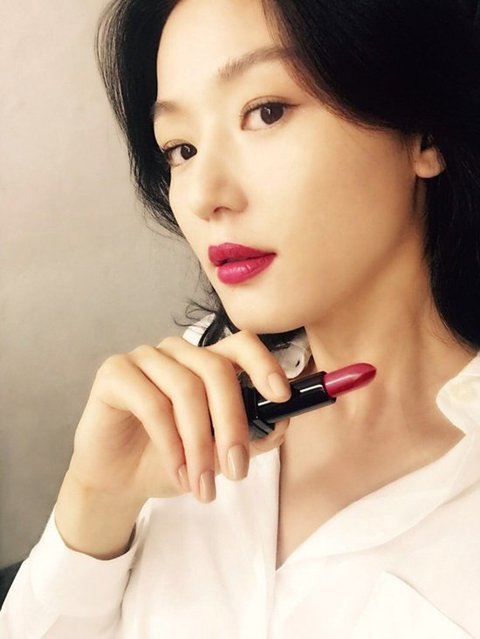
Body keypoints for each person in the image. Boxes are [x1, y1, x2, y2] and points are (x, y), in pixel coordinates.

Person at [2, 0, 480, 636]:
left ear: (423, 133)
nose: (203, 195)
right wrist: (96, 501)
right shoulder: (180, 405)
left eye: (266, 112)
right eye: (181, 148)